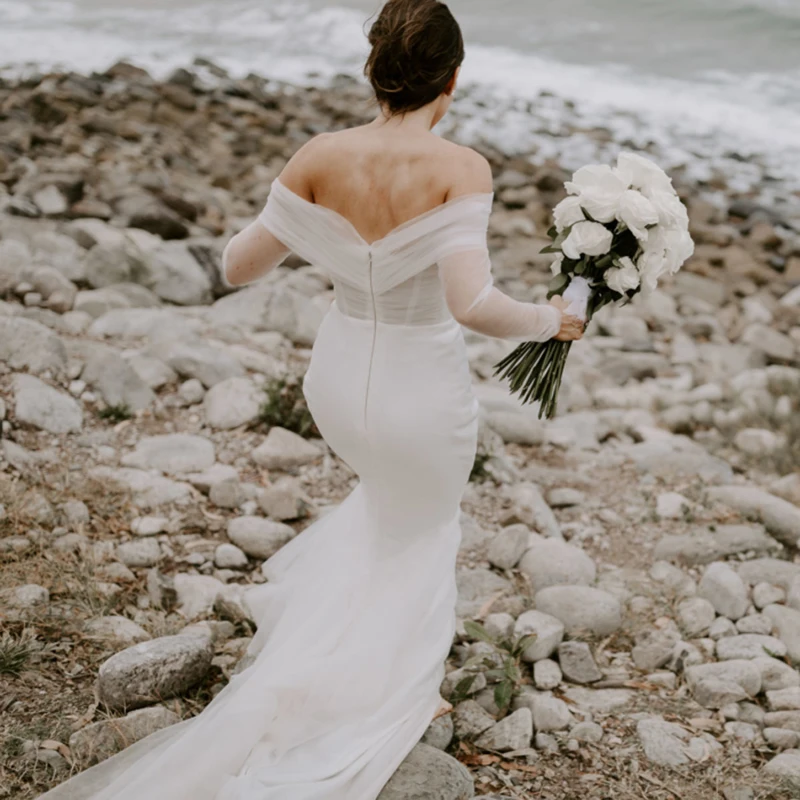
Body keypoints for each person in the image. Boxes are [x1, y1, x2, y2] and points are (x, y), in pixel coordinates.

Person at [36, 1, 583, 798]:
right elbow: (472, 304)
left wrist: (320, 230)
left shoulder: (319, 156)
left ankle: (346, 643)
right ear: (453, 78)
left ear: (374, 71)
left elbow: (236, 267)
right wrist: (553, 320)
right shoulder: (461, 167)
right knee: (426, 524)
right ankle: (394, 687)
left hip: (337, 382)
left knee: (385, 508)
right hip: (418, 389)